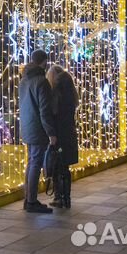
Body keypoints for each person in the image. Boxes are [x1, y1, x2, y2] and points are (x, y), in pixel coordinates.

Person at [19, 49, 57, 213]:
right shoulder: (42, 82)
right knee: (35, 163)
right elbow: (44, 110)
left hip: (27, 126)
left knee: (31, 162)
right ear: (44, 62)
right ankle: (32, 201)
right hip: (38, 128)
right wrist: (51, 132)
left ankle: (29, 199)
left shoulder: (24, 81)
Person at [46, 65, 79, 208]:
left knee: (57, 165)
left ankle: (59, 197)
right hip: (69, 134)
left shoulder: (56, 94)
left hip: (58, 135)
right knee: (65, 167)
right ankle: (67, 198)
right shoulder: (71, 95)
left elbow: (53, 114)